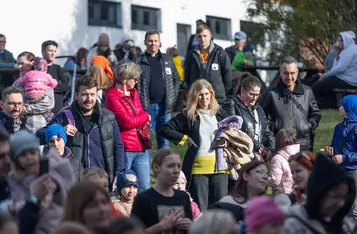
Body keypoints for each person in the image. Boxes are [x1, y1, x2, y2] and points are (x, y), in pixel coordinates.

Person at [36, 75, 125, 185]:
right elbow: (38, 137)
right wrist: (60, 130)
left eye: (92, 94)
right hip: (75, 182)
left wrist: (118, 173)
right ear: (76, 95)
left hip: (102, 180)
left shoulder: (108, 117)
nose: (89, 99)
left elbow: (118, 146)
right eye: (84, 94)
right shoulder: (65, 116)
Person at [160, 79, 228, 210]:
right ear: (194, 96)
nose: (204, 98)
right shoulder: (188, 115)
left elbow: (235, 133)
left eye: (207, 94)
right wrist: (184, 138)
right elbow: (165, 129)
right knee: (200, 210)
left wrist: (227, 141)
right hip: (198, 170)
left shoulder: (220, 114)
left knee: (221, 210)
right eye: (200, 94)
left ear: (211, 94)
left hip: (220, 169)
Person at [7, 130, 74, 234]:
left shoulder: (49, 171)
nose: (29, 158)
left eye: (32, 153)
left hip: (55, 224)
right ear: (16, 159)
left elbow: (62, 196)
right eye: (23, 154)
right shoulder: (14, 179)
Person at [105, 61, 151, 191]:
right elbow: (126, 121)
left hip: (141, 145)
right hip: (125, 148)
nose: (136, 82)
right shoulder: (111, 96)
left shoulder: (134, 93)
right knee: (124, 187)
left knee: (144, 187)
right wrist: (146, 117)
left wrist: (143, 117)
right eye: (134, 79)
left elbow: (140, 111)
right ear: (125, 79)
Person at [259, 56, 321, 151]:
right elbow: (260, 115)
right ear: (280, 73)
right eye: (286, 73)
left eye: (292, 73)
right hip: (280, 144)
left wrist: (308, 126)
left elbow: (316, 113)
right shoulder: (271, 93)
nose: (289, 77)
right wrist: (271, 129)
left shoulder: (307, 91)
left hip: (304, 144)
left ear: (297, 72)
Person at [284, 154, 356, 234]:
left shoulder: (345, 219)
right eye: (335, 196)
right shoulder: (294, 221)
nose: (341, 203)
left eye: (298, 171)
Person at [135, 30, 180, 150]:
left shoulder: (167, 60)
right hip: (146, 108)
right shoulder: (139, 61)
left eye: (156, 41)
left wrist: (173, 96)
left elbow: (176, 79)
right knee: (145, 142)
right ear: (145, 42)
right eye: (150, 41)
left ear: (160, 43)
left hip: (165, 108)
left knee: (164, 142)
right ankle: (147, 168)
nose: (153, 43)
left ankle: (164, 168)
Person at [131, 148, 193, 234]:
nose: (176, 170)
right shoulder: (143, 199)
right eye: (171, 165)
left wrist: (191, 226)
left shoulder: (183, 197)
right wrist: (161, 226)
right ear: (156, 168)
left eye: (179, 166)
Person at [321, 95, 357, 219]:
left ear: (349, 108)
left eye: (342, 105)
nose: (339, 107)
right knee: (340, 207)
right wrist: (331, 151)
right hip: (339, 172)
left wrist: (345, 158)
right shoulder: (338, 127)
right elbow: (335, 147)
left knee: (353, 209)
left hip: (354, 172)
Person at [224, 73, 274, 158]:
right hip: (240, 155)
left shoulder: (259, 109)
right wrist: (257, 146)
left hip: (258, 156)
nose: (254, 98)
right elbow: (235, 132)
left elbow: (267, 132)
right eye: (251, 94)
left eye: (257, 95)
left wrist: (270, 149)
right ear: (242, 90)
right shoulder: (231, 104)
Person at [184, 24, 232, 106]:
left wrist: (223, 94)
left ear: (210, 36)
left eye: (205, 36)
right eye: (199, 36)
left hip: (217, 99)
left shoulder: (220, 52)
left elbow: (228, 76)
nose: (202, 39)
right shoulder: (192, 54)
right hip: (198, 99)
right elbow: (187, 75)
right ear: (196, 38)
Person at [313, 31, 357, 107]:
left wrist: (326, 75)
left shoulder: (349, 51)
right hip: (346, 78)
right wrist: (336, 49)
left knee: (316, 85)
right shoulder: (348, 50)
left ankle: (318, 104)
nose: (337, 42)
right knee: (316, 79)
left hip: (348, 80)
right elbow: (336, 66)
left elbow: (340, 68)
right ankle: (324, 103)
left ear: (345, 41)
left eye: (339, 40)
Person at [268, 129, 300, 195]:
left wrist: (265, 177)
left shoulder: (277, 159)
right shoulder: (298, 155)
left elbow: (275, 180)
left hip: (282, 194)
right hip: (296, 193)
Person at [41, 40, 69, 113]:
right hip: (40, 107)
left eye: (55, 51)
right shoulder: (36, 69)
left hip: (57, 107)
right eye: (50, 51)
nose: (53, 53)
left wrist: (46, 89)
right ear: (43, 52)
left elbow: (65, 85)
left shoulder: (58, 68)